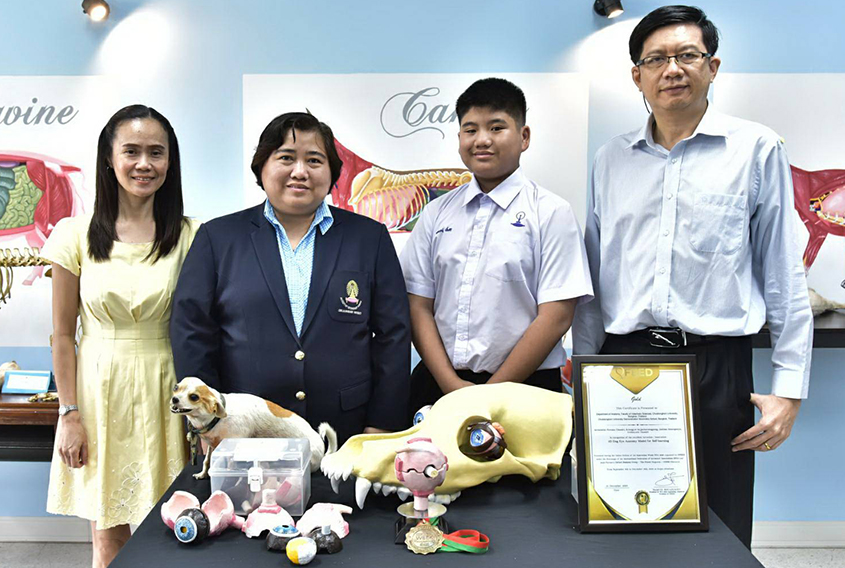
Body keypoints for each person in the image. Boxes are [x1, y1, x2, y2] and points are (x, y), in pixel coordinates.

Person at [572, 5, 813, 548]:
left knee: (720, 523)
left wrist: (789, 390)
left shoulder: (756, 148)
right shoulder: (611, 159)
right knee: (621, 524)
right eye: (656, 59)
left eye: (687, 56)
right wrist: (584, 372)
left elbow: (782, 272)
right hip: (622, 362)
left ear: (713, 66)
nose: (672, 69)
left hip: (716, 366)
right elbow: (596, 274)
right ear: (637, 76)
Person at [170, 112, 410, 444]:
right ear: (261, 167)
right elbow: (192, 332)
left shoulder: (369, 238)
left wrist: (382, 423)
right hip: (247, 429)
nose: (300, 171)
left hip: (349, 430)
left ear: (332, 173)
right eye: (285, 158)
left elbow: (393, 335)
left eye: (314, 160)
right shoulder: (219, 238)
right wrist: (210, 422)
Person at [43, 105, 199, 567]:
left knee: (177, 530)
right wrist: (68, 413)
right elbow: (61, 335)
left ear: (170, 163)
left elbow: (204, 329)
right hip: (97, 392)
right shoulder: (74, 234)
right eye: (131, 151)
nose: (144, 164)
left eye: (157, 152)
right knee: (108, 537)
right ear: (109, 159)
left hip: (167, 388)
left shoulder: (192, 235)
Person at [400, 78, 593, 412]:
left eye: (497, 127)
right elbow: (418, 306)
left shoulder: (550, 212)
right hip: (439, 387)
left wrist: (489, 394)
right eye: (470, 129)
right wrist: (451, 386)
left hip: (528, 389)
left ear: (524, 137)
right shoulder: (435, 214)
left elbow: (557, 315)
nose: (482, 140)